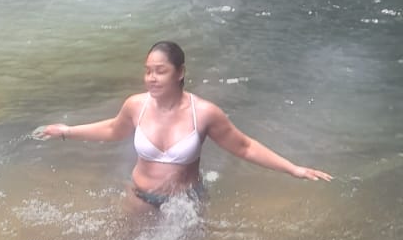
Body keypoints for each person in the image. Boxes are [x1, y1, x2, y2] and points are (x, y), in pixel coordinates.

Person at [37, 41, 332, 205]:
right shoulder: (136, 105)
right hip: (139, 197)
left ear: (180, 73)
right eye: (147, 71)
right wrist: (66, 131)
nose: (151, 78)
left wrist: (294, 169)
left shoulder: (203, 113)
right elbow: (113, 130)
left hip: (185, 203)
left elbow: (244, 147)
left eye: (160, 71)